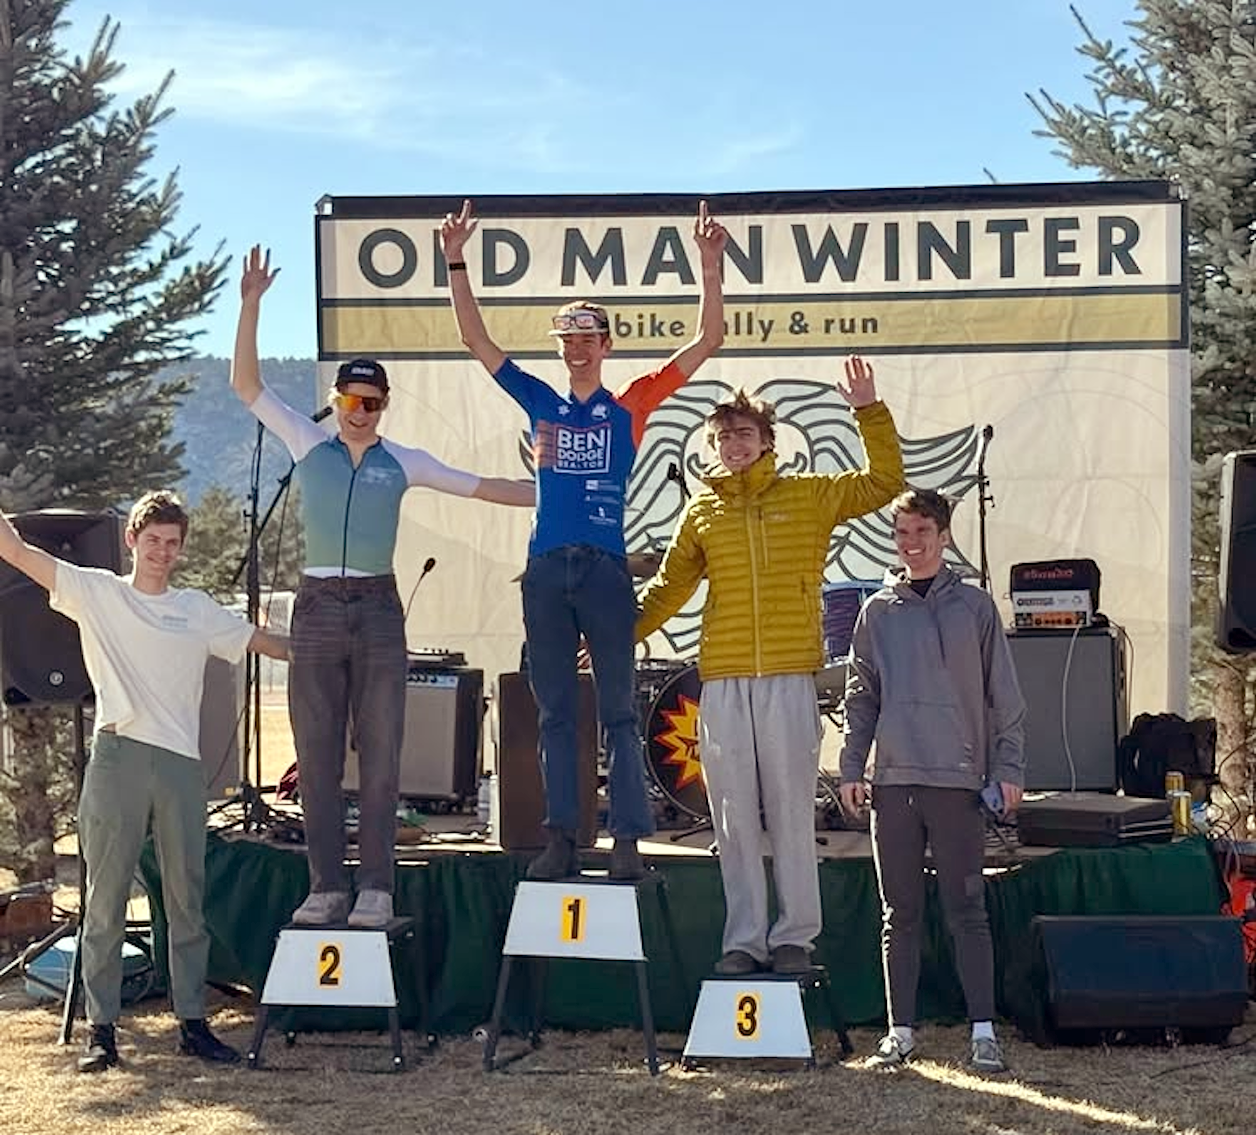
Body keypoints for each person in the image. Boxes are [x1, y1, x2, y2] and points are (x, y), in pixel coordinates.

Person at [231, 246, 534, 928]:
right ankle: (324, 887)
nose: (358, 411)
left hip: (376, 609)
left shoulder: (404, 459)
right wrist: (251, 303)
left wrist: (562, 487)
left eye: (370, 401)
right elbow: (247, 386)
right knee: (313, 752)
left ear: (385, 405)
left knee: (381, 752)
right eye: (348, 399)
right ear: (336, 399)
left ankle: (376, 889)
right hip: (315, 606)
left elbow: (487, 488)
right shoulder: (307, 444)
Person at [439, 199, 728, 881]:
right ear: (559, 347)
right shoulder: (541, 398)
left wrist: (710, 269)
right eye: (567, 338)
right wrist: (456, 260)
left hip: (603, 569)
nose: (576, 348)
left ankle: (628, 838)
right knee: (555, 714)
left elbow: (707, 340)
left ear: (606, 346)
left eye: (588, 337)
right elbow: (476, 343)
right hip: (545, 570)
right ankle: (563, 836)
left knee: (622, 710)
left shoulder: (629, 404)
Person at [0, 491, 291, 1073]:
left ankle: (192, 1024)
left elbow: (270, 645)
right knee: (104, 898)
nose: (161, 551)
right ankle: (102, 1032)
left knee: (187, 897)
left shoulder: (197, 608)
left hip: (181, 763)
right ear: (131, 541)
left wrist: (353, 653)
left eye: (171, 543)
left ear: (180, 550)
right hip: (118, 757)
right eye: (151, 540)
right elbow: (14, 549)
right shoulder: (97, 591)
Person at [635, 361, 904, 974]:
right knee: (730, 816)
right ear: (714, 444)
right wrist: (618, 634)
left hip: (788, 677)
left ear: (767, 442)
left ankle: (794, 938)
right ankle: (744, 940)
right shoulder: (703, 513)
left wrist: (868, 410)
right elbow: (669, 586)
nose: (735, 445)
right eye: (725, 436)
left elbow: (885, 480)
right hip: (724, 681)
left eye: (745, 434)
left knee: (789, 811)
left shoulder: (809, 495)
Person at [837, 488, 1026, 1073]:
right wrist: (851, 767)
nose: (912, 544)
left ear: (943, 536)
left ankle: (983, 1032)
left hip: (958, 782)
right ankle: (900, 1031)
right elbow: (860, 695)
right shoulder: (877, 611)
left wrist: (1009, 767)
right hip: (892, 783)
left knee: (967, 908)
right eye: (902, 534)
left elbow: (1006, 697)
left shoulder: (974, 607)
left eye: (922, 532)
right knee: (900, 913)